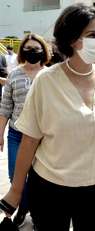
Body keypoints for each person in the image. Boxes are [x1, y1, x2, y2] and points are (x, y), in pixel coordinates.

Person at [0, 4, 95, 231]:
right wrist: (16, 190)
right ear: (72, 38)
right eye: (92, 35)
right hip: (51, 187)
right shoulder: (46, 81)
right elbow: (30, 140)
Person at [0, 33, 51, 228]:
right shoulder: (14, 74)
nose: (32, 53)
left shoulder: (49, 76)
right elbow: (5, 106)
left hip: (42, 137)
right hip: (16, 134)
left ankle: (25, 210)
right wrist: (0, 134)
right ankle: (22, 207)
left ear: (43, 52)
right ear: (22, 52)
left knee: (39, 178)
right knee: (16, 176)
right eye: (28, 49)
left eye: (36, 49)